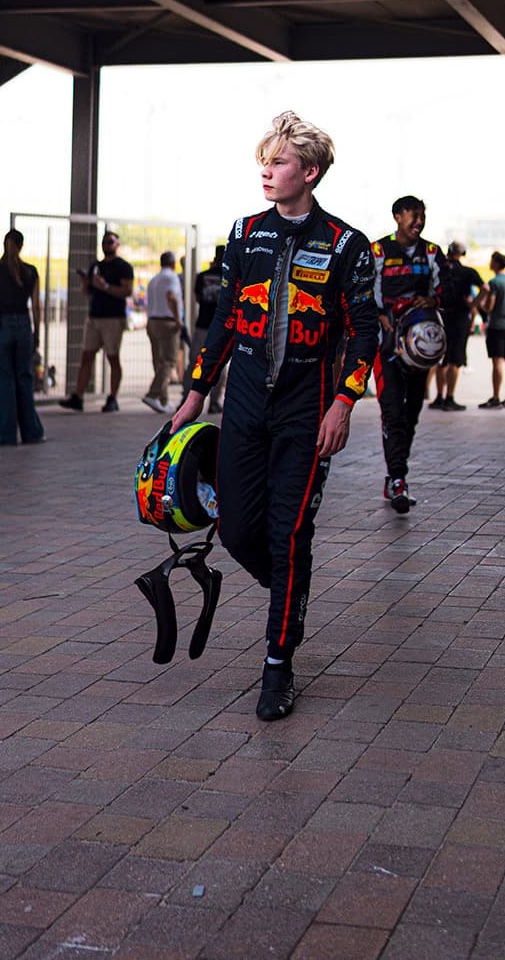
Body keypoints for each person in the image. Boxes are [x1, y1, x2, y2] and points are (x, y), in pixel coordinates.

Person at [172, 111, 378, 721]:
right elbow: (225, 321)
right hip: (243, 405)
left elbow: (366, 332)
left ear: (309, 172)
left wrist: (345, 401)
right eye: (265, 160)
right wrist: (194, 393)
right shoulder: (243, 233)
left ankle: (277, 665)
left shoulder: (347, 244)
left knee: (289, 536)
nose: (267, 170)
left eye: (280, 161)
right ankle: (291, 591)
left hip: (306, 408)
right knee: (234, 528)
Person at [373, 196, 442, 510]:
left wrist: (433, 301)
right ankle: (397, 478)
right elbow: (361, 292)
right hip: (385, 347)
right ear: (397, 216)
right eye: (414, 215)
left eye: (423, 216)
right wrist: (379, 314)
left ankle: (396, 476)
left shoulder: (431, 252)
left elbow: (447, 289)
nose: (419, 222)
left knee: (411, 414)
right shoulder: (377, 251)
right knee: (392, 412)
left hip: (418, 350)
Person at [0, 230, 45, 447]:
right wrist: (36, 333)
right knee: (24, 378)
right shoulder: (31, 272)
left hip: (1, 326)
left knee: (4, 381)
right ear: (21, 246)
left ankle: (7, 434)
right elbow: (35, 306)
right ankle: (31, 432)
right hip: (24, 326)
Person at [59, 229, 134, 413]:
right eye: (104, 241)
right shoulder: (95, 266)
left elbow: (127, 291)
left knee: (112, 357)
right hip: (94, 317)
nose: (106, 245)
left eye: (110, 241)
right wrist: (86, 285)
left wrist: (105, 286)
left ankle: (112, 398)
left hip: (113, 319)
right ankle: (78, 396)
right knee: (86, 357)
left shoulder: (123, 266)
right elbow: (89, 293)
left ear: (117, 244)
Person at [431, 241, 483, 411]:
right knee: (455, 360)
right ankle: (449, 398)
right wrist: (473, 304)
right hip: (460, 320)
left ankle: (438, 397)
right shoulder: (468, 272)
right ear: (462, 254)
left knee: (441, 359)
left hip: (441, 318)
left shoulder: (439, 271)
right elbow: (486, 288)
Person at [142, 251, 183, 413]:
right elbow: (171, 296)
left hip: (152, 321)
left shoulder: (154, 279)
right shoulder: (171, 277)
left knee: (159, 362)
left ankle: (163, 400)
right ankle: (152, 394)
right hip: (167, 322)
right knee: (169, 361)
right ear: (173, 263)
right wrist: (178, 319)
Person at [479, 251, 505, 409]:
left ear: (496, 263)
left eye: (491, 260)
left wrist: (480, 305)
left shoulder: (494, 282)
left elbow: (490, 306)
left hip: (496, 326)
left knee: (497, 361)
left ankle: (495, 397)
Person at [191, 245, 226, 413]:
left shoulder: (203, 276)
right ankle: (214, 402)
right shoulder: (230, 275)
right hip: (222, 326)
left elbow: (198, 297)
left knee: (195, 362)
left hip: (203, 324)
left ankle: (187, 398)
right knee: (219, 365)